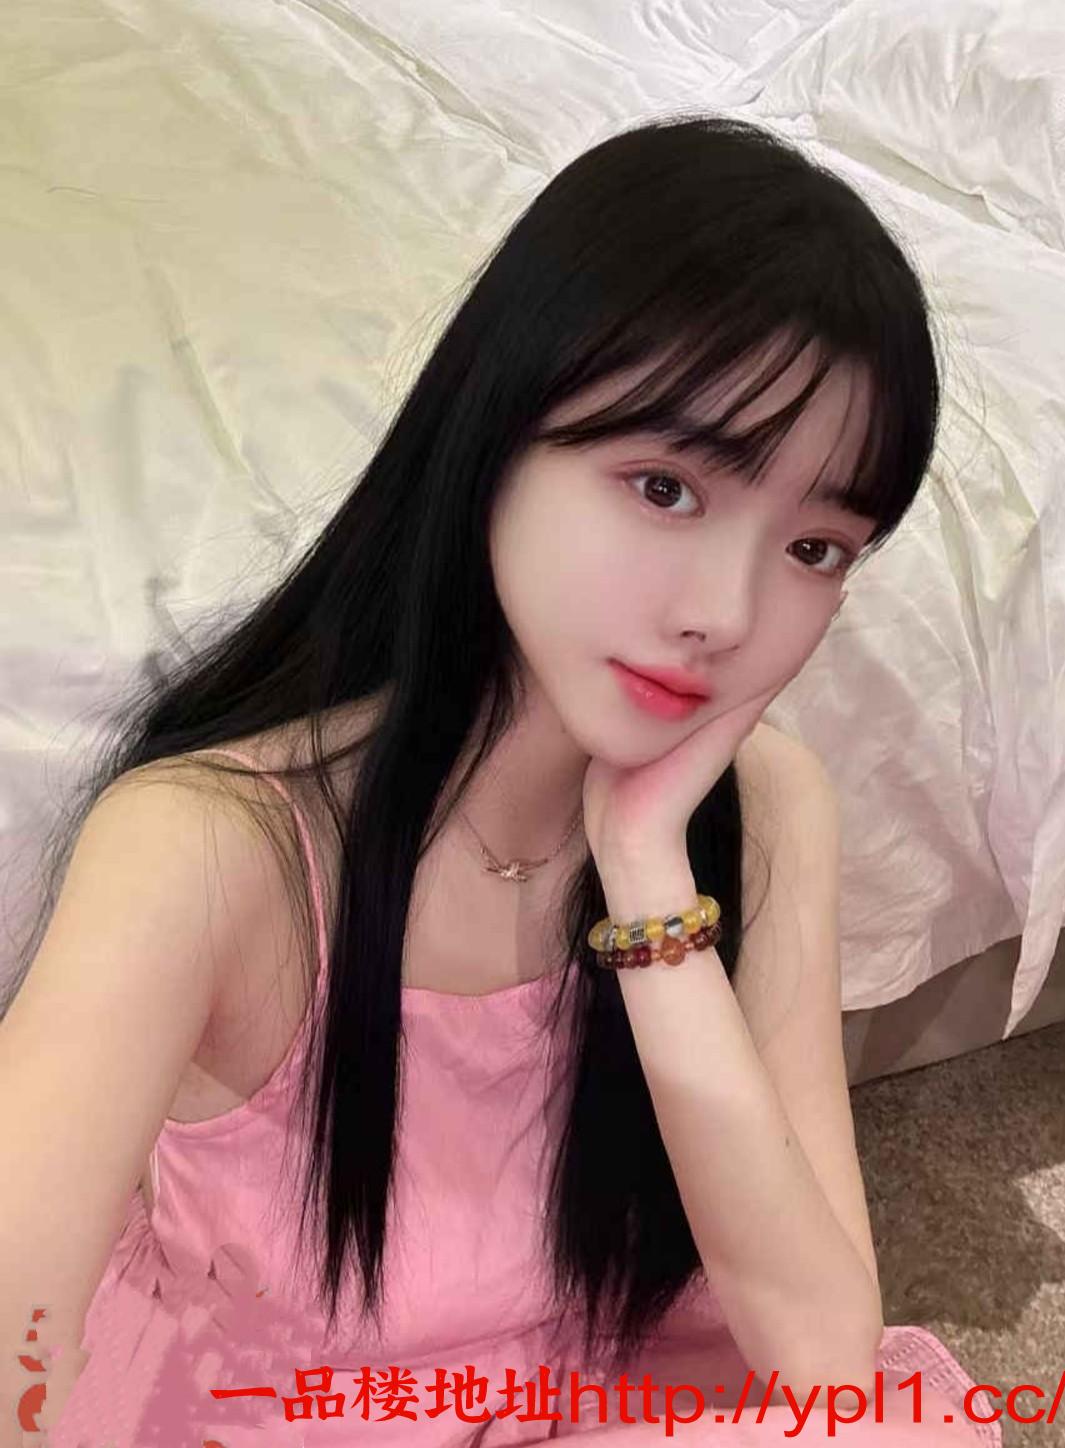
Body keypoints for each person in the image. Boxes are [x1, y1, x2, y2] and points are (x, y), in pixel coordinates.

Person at [0, 113, 1001, 1447]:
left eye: (817, 550)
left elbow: (824, 1355)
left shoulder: (763, 807)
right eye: (665, 487)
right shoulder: (206, 848)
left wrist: (646, 877)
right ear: (495, 436)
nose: (724, 613)